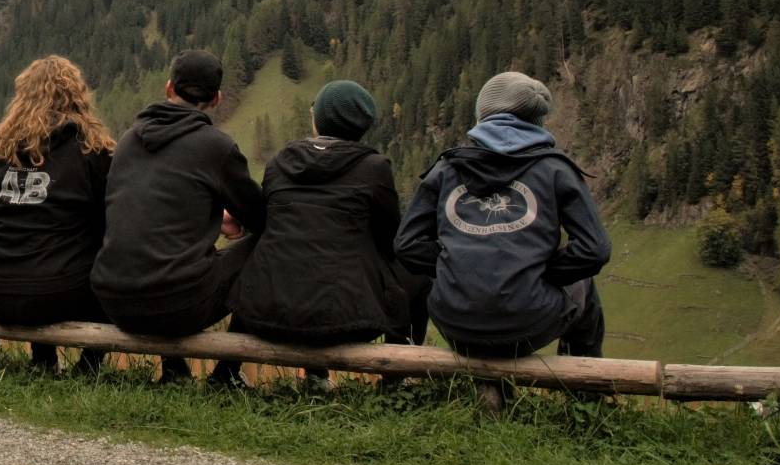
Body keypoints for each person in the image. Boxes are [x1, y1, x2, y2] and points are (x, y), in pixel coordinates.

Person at [394, 71, 610, 359]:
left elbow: (406, 245)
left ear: (483, 115)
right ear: (536, 120)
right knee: (585, 288)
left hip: (456, 325)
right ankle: (584, 389)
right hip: (529, 324)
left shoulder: (445, 170)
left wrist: (457, 266)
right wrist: (542, 273)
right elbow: (594, 251)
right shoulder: (557, 171)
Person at [93, 49, 265, 386]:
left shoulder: (128, 141)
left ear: (169, 88)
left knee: (160, 257)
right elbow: (262, 218)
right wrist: (233, 220)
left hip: (112, 299)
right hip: (176, 308)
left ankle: (174, 370)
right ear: (216, 99)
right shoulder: (216, 147)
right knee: (264, 244)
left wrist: (216, 218)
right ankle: (227, 374)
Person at [231, 81, 422, 363]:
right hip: (347, 320)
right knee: (416, 270)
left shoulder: (280, 162)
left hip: (267, 314)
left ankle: (226, 372)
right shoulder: (374, 169)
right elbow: (389, 238)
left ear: (318, 119)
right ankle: (397, 377)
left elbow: (267, 225)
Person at [0, 56, 115, 374]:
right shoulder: (92, 154)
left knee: (35, 236)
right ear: (78, 98)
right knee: (92, 255)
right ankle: (89, 366)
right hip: (59, 293)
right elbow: (111, 225)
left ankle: (43, 359)